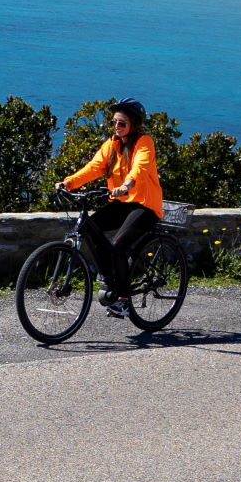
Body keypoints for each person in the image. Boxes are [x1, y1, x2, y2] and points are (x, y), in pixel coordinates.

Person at [58, 99, 162, 318]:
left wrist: (126, 185)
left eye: (122, 123)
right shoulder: (112, 145)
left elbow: (140, 168)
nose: (116, 126)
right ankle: (109, 278)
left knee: (118, 245)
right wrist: (69, 182)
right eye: (114, 122)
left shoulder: (144, 142)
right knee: (90, 227)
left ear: (134, 124)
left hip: (144, 205)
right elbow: (94, 167)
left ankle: (124, 300)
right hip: (122, 203)